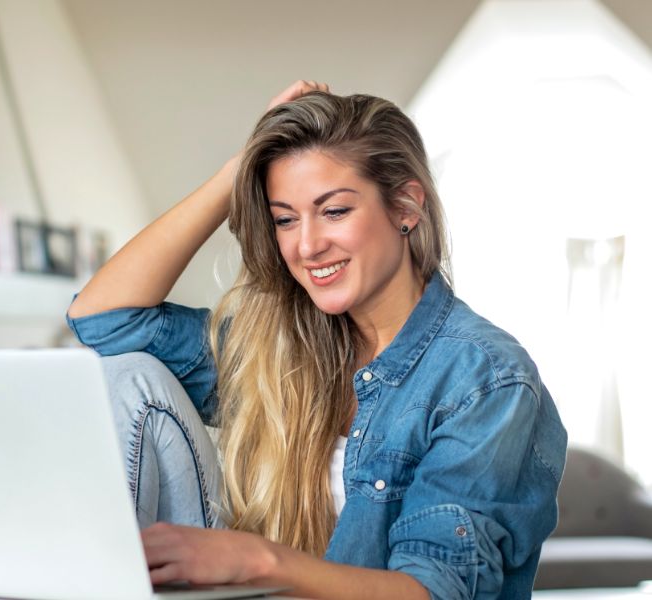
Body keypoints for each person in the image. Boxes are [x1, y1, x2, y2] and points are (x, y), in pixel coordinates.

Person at [66, 81, 567, 599]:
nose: (306, 246)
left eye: (334, 211)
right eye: (285, 218)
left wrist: (257, 562)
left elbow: (435, 591)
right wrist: (239, 170)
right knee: (128, 376)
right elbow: (103, 320)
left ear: (406, 207)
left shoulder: (485, 377)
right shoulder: (276, 347)